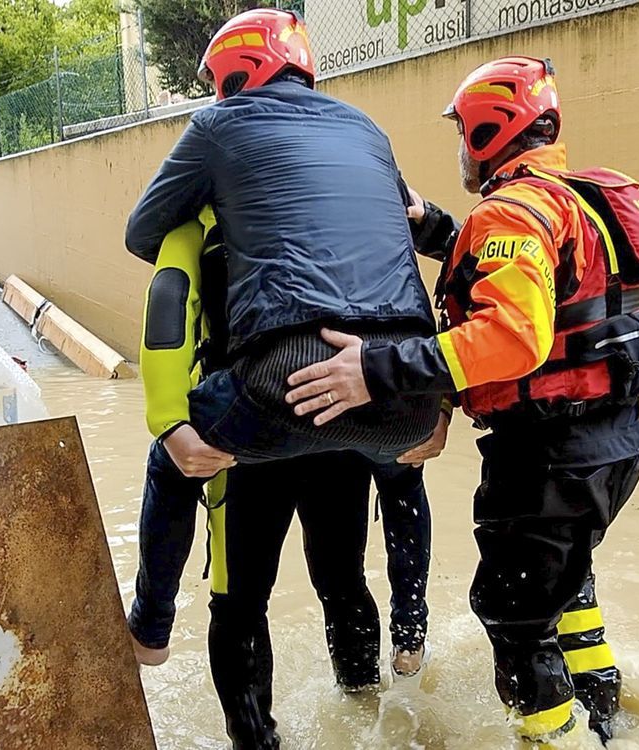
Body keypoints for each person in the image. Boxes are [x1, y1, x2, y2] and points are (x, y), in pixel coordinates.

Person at [287, 56, 639, 746]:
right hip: (614, 445)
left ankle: (552, 737)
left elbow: (514, 337)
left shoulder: (510, 214)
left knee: (514, 618)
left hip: (548, 456)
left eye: (464, 133)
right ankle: (609, 723)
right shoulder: (570, 197)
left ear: (491, 131)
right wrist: (430, 224)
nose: (462, 149)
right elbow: (542, 278)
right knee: (568, 591)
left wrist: (376, 370)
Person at [126, 183, 446, 748]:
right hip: (345, 414)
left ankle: (159, 636)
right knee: (342, 578)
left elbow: (169, 302)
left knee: (240, 599)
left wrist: (169, 420)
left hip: (249, 430)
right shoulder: (350, 203)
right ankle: (378, 687)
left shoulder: (199, 214)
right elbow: (411, 303)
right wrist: (434, 404)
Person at [125, 8, 440, 467]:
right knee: (397, 475)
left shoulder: (219, 125)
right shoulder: (369, 129)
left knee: (169, 458)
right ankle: (413, 541)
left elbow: (143, 231)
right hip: (411, 390)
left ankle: (159, 532)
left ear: (233, 74)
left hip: (284, 382)